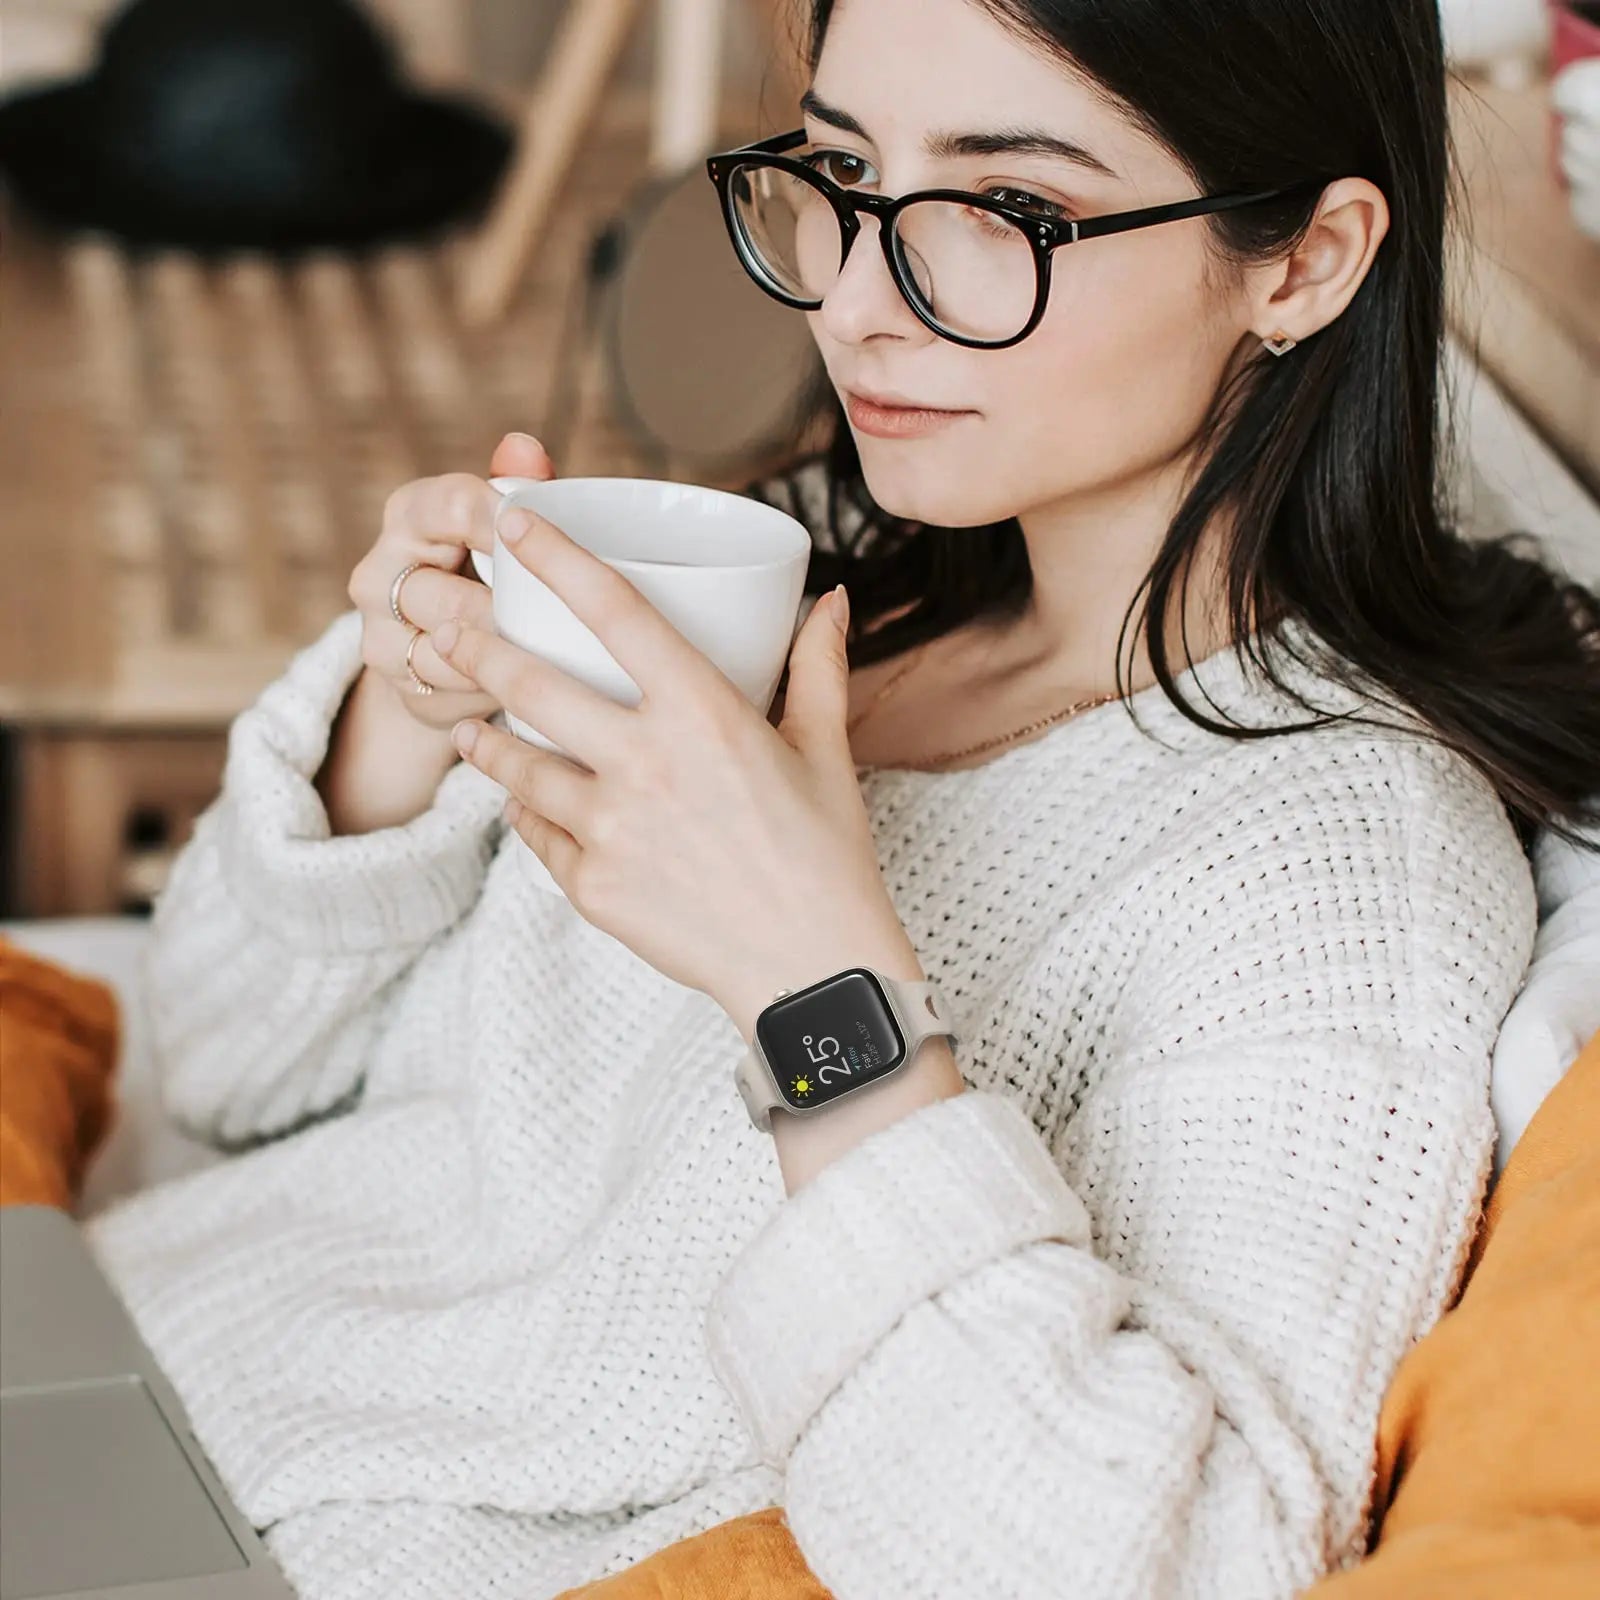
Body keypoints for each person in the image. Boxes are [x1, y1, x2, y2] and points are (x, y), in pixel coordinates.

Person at [83, 1, 1600, 1596]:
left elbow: (1165, 1560)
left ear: (1305, 263)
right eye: (846, 175)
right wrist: (401, 713)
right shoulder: (817, 568)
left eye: (1007, 207)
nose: (860, 302)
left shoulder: (1340, 878)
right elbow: (224, 1070)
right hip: (145, 1350)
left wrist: (811, 987)